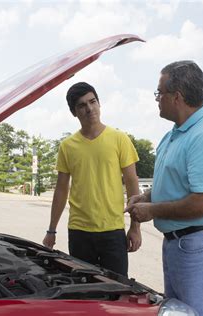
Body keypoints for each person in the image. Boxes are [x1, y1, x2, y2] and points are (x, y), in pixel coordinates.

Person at [125, 61, 203, 315]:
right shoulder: (175, 135)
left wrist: (153, 210)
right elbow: (175, 184)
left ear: (176, 97)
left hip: (202, 243)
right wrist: (146, 196)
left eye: (159, 93)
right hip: (184, 244)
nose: (157, 99)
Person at [42, 82, 141, 277]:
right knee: (83, 293)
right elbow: (61, 189)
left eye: (92, 101)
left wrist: (135, 227)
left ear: (99, 103)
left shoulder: (119, 139)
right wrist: (51, 230)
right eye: (82, 105)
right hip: (79, 232)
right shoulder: (67, 146)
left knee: (116, 293)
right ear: (74, 112)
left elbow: (132, 183)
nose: (89, 109)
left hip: (112, 231)